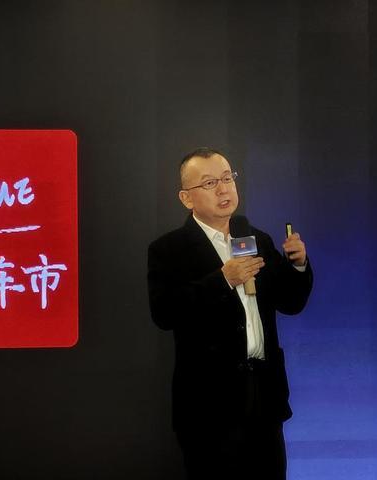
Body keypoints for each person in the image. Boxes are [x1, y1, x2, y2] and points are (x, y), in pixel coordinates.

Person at [147, 148, 313, 479]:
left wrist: (298, 265)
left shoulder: (256, 238)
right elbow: (165, 313)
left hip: (264, 395)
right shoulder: (168, 249)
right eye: (210, 183)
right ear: (186, 198)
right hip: (209, 404)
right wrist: (222, 279)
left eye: (227, 178)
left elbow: (291, 303)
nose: (223, 189)